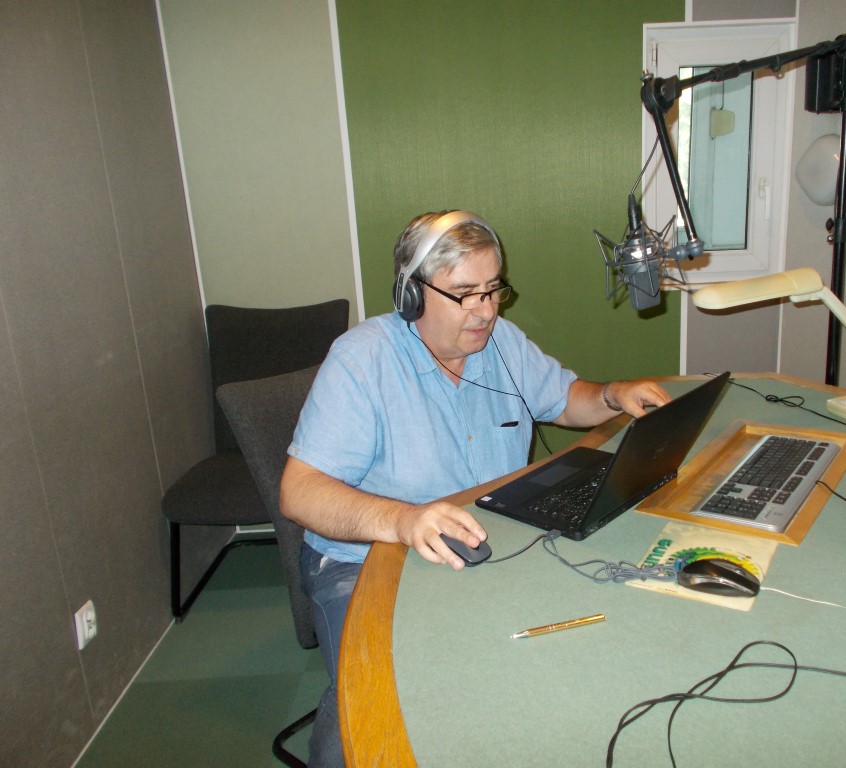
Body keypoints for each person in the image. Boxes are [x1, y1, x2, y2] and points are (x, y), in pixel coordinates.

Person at [279, 210, 670, 766]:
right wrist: (403, 519)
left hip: (483, 538)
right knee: (377, 700)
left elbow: (564, 399)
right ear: (412, 294)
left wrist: (612, 395)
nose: (485, 311)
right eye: (464, 294)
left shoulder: (502, 342)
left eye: (492, 290)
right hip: (363, 559)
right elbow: (299, 492)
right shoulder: (362, 361)